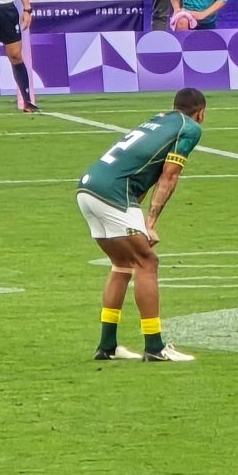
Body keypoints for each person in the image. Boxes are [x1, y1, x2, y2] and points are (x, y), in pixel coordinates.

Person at [76, 89, 209, 363]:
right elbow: (169, 177)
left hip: (87, 188)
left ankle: (108, 345)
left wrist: (138, 220)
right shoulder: (191, 128)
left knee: (122, 263)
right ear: (201, 113)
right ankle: (155, 346)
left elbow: (139, 173)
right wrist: (150, 222)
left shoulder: (159, 119)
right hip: (113, 192)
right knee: (147, 262)